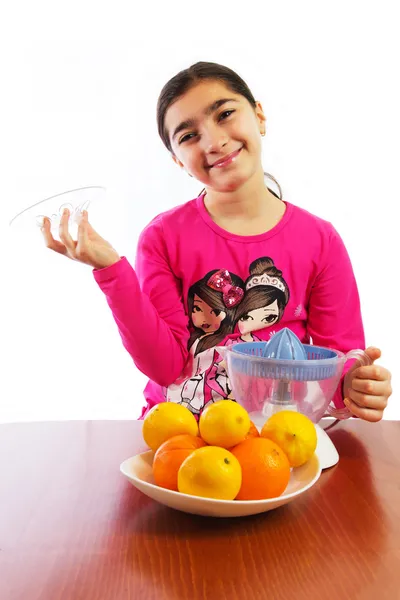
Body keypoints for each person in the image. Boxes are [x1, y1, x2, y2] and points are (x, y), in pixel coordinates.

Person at [41, 61, 392, 422]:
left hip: (283, 437)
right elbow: (165, 367)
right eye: (189, 136)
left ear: (259, 116)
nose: (214, 141)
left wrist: (354, 383)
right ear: (177, 160)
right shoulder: (162, 238)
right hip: (182, 437)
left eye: (224, 114)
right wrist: (111, 270)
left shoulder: (321, 240)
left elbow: (338, 359)